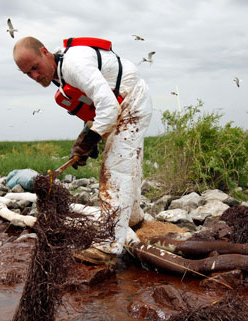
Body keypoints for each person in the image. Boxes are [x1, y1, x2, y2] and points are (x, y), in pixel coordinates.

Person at [13, 36, 152, 265]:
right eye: (28, 73)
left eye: (35, 67)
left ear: (45, 52)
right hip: (124, 102)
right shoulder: (60, 74)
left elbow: (108, 105)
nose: (35, 76)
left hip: (131, 100)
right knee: (128, 165)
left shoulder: (73, 65)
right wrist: (86, 136)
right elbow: (95, 105)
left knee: (116, 171)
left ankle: (108, 247)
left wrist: (91, 138)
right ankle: (134, 219)